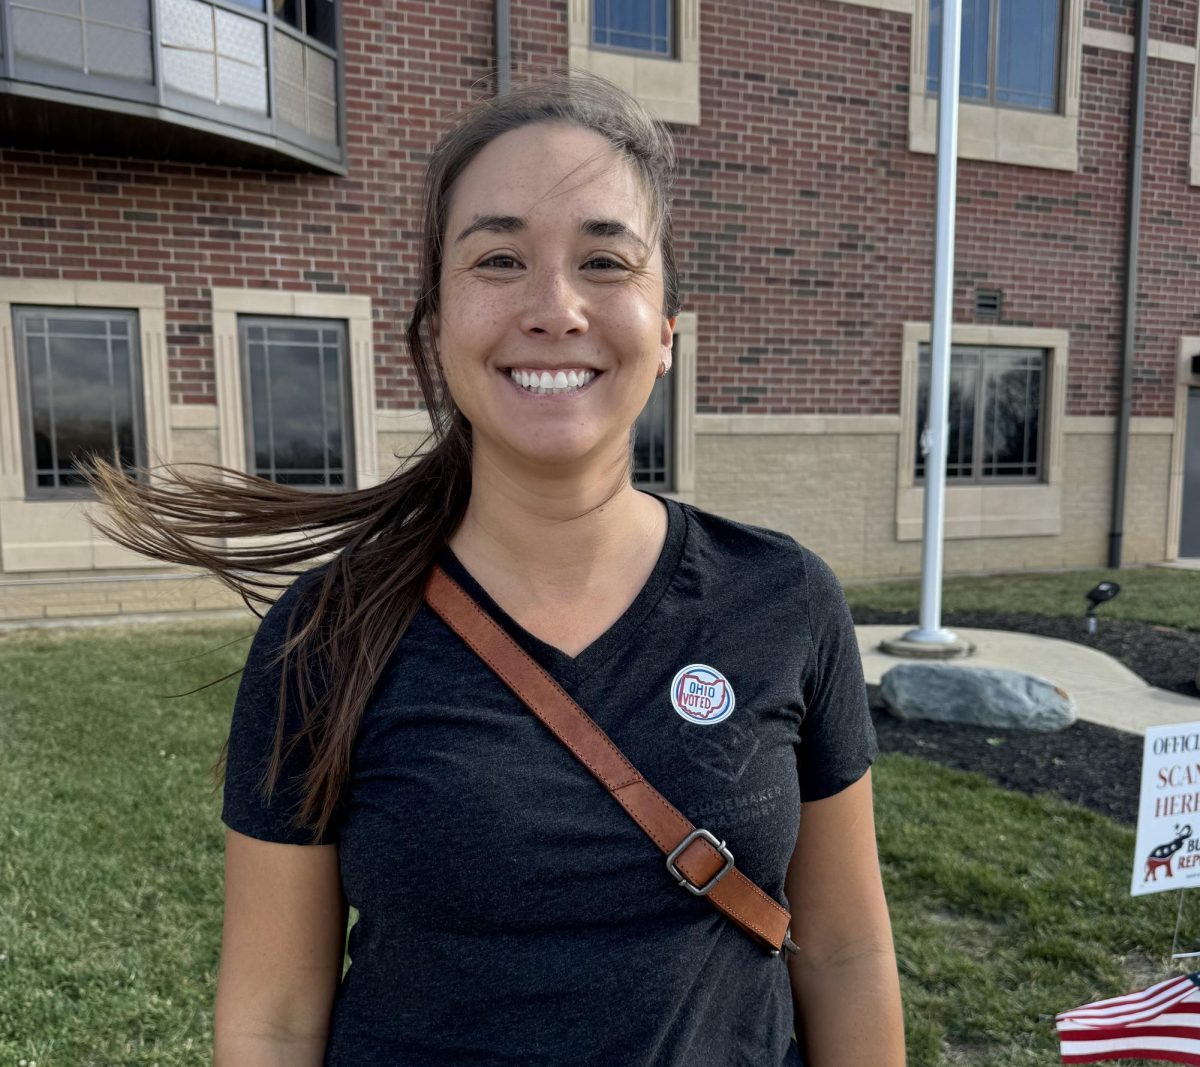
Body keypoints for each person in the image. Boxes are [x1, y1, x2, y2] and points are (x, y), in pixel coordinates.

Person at [88, 75, 904, 1066]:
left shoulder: (784, 599)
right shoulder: (326, 636)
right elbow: (273, 1018)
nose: (555, 307)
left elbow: (847, 950)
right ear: (436, 329)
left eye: (605, 260)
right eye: (500, 257)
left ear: (668, 336)